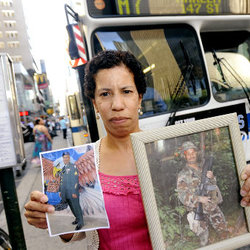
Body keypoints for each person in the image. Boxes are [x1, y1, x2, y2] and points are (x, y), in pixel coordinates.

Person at [24, 50, 250, 249]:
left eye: (126, 91)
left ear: (140, 97)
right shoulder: (84, 161)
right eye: (105, 94)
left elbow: (217, 199)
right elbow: (79, 227)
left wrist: (244, 190)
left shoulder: (169, 152)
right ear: (94, 103)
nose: (117, 105)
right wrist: (52, 219)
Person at [177, 141, 228, 246]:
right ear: (184, 155)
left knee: (224, 234)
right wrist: (199, 199)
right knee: (204, 242)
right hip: (197, 210)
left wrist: (212, 178)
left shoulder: (203, 168)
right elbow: (182, 196)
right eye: (188, 153)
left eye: (193, 152)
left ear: (196, 153)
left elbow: (212, 187)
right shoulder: (183, 174)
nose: (191, 155)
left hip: (212, 206)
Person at [55, 152, 84, 230]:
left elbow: (75, 180)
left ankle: (81, 222)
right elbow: (61, 180)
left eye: (67, 157)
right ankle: (77, 219)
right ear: (63, 158)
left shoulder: (73, 166)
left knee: (76, 206)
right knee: (71, 206)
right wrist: (60, 191)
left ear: (69, 158)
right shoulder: (63, 168)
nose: (66, 159)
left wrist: (74, 192)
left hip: (72, 191)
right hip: (66, 192)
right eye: (64, 157)